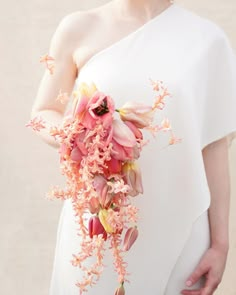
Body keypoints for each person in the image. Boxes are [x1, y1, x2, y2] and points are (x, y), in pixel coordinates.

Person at [30, 0, 236, 294]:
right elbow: (42, 113)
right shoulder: (78, 27)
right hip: (99, 226)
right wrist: (81, 132)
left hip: (181, 226)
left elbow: (213, 147)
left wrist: (220, 244)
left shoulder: (207, 40)